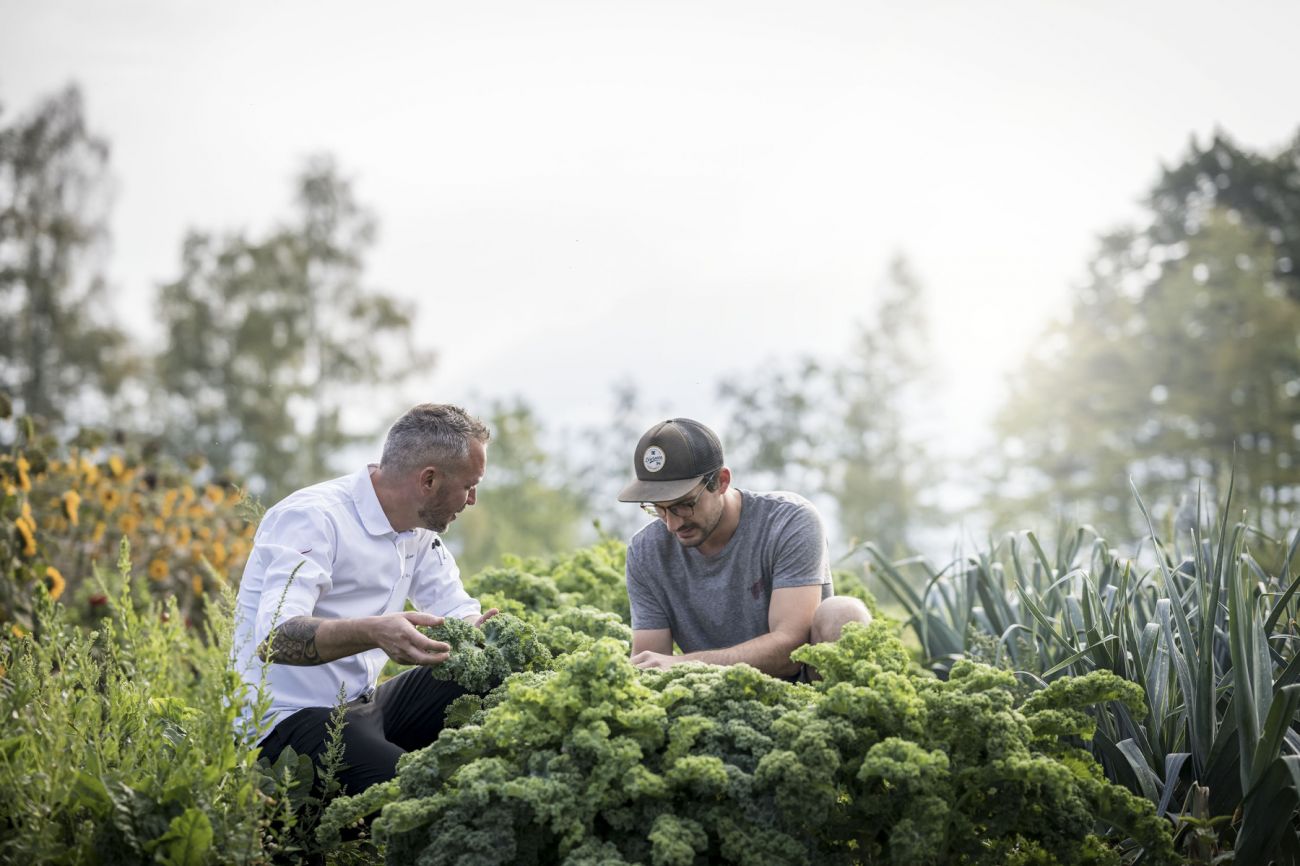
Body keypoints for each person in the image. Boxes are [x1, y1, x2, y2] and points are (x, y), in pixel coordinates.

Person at [231, 403, 498, 794]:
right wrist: (375, 632)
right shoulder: (313, 518)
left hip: (361, 706)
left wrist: (473, 628)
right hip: (284, 723)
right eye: (469, 486)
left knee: (487, 674)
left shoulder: (417, 528)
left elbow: (454, 607)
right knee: (412, 794)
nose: (472, 499)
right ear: (428, 480)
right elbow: (275, 638)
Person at [617, 418, 870, 680]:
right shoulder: (646, 551)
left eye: (684, 504)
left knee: (843, 614)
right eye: (658, 508)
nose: (672, 524)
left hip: (804, 695)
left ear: (722, 481)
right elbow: (650, 665)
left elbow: (793, 649)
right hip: (711, 699)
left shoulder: (789, 521)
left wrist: (686, 664)